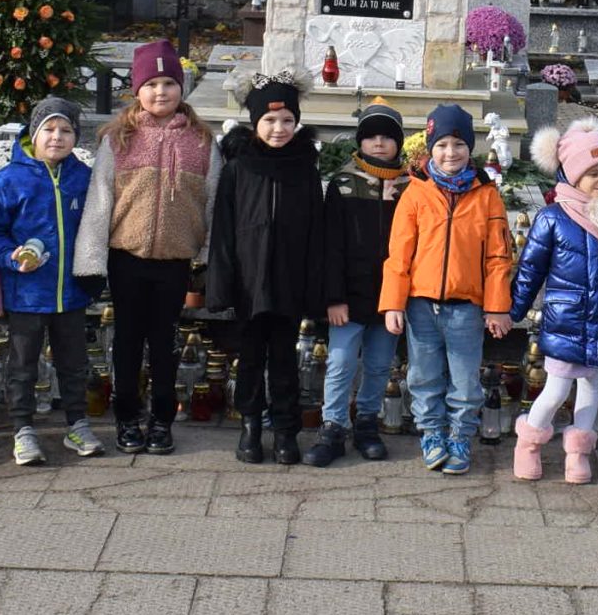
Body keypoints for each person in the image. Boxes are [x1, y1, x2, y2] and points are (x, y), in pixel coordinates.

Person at [71, 40, 215, 455]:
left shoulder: (202, 141)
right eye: (151, 84)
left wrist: (206, 256)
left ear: (181, 88)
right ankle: (127, 417)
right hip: (127, 258)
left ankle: (162, 418)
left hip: (175, 260)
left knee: (165, 342)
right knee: (128, 341)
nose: (160, 92)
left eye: (169, 83)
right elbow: (100, 201)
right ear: (137, 90)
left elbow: (213, 199)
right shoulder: (119, 140)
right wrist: (91, 261)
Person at [510, 122, 598, 484]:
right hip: (566, 323)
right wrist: (512, 312)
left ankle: (578, 453)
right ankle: (528, 443)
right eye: (593, 173)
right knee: (556, 389)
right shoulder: (552, 218)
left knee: (591, 388)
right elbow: (530, 271)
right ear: (573, 175)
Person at [381, 104, 515, 476]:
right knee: (423, 377)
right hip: (421, 305)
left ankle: (459, 436)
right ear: (430, 148)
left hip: (466, 306)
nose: (450, 153)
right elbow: (399, 254)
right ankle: (432, 434)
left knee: (465, 381)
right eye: (441, 145)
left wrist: (497, 306)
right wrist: (393, 303)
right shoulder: (416, 193)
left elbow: (498, 255)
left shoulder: (486, 195)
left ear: (469, 148)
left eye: (458, 144)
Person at [205, 79, 329, 465]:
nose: (279, 128)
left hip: (289, 280)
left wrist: (314, 286)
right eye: (270, 120)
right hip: (249, 281)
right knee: (250, 356)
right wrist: (221, 285)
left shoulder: (304, 170)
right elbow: (223, 231)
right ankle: (251, 425)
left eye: (287, 120)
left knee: (285, 359)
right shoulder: (239, 168)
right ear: (255, 122)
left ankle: (286, 430)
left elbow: (316, 232)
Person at [0, 95, 100, 467]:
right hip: (26, 293)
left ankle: (77, 424)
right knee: (23, 365)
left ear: (75, 136)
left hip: (72, 293)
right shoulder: (9, 179)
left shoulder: (84, 178)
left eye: (66, 130)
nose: (57, 137)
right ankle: (23, 428)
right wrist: (10, 257)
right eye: (49, 129)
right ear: (34, 133)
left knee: (74, 363)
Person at [310, 102, 408, 466]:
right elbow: (330, 246)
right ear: (360, 142)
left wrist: (402, 298)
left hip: (389, 298)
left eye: (387, 137)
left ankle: (367, 421)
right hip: (349, 297)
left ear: (399, 143)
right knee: (340, 361)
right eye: (371, 137)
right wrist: (333, 297)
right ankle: (333, 425)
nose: (379, 144)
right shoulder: (344, 184)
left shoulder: (409, 187)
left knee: (380, 364)